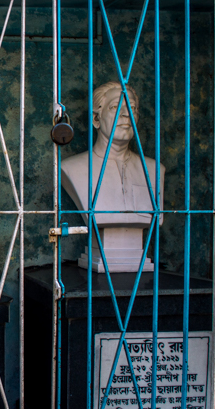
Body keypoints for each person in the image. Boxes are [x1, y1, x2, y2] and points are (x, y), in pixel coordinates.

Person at [60, 81, 164, 272]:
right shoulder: (71, 168)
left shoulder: (154, 169)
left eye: (132, 108)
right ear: (96, 119)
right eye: (116, 107)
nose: (126, 114)